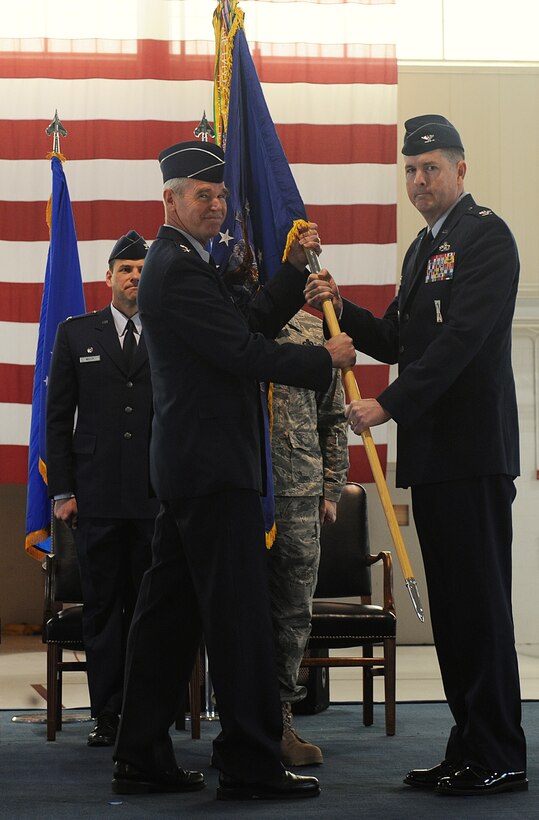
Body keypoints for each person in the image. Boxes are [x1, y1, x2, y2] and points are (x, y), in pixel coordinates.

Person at [111, 140, 356, 801]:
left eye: (221, 195)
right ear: (169, 199)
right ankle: (249, 764)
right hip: (214, 471)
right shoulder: (178, 268)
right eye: (202, 194)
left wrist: (288, 273)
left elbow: (244, 319)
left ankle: (139, 755)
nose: (217, 204)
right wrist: (322, 360)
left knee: (167, 620)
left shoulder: (180, 263)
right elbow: (242, 350)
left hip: (195, 469)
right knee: (241, 620)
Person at [305, 115, 527, 797]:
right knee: (455, 613)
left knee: (479, 609)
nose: (418, 180)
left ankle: (500, 753)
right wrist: (338, 306)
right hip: (433, 459)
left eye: (431, 167)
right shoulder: (421, 250)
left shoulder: (484, 236)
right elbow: (401, 337)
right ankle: (468, 746)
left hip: (471, 455)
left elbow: (461, 343)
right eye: (410, 169)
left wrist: (387, 405)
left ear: (460, 170)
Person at [46, 230, 158, 747]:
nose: (134, 276)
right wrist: (63, 491)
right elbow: (58, 417)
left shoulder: (169, 329)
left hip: (156, 495)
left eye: (142, 268)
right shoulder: (76, 334)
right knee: (102, 608)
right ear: (108, 277)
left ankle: (146, 711)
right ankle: (107, 712)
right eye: (126, 269)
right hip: (94, 497)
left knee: (149, 609)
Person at [269, 309, 348, 766]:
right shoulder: (236, 318)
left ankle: (280, 722)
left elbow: (333, 416)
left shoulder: (314, 330)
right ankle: (243, 724)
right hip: (244, 488)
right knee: (240, 608)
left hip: (300, 490)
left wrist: (331, 488)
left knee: (294, 612)